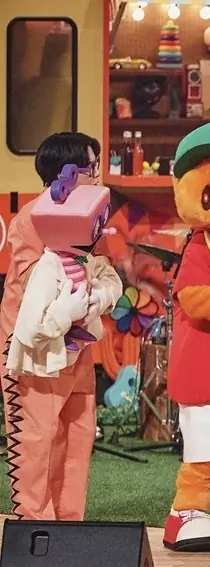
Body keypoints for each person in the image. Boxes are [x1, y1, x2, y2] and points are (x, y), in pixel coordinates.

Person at [0, 131, 122, 521]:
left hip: (78, 346)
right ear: (66, 173)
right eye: (91, 166)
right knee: (36, 439)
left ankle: (70, 524)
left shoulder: (90, 217)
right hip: (36, 352)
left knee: (78, 433)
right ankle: (35, 528)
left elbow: (103, 269)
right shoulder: (31, 219)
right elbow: (30, 285)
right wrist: (67, 306)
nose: (97, 174)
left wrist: (103, 294)